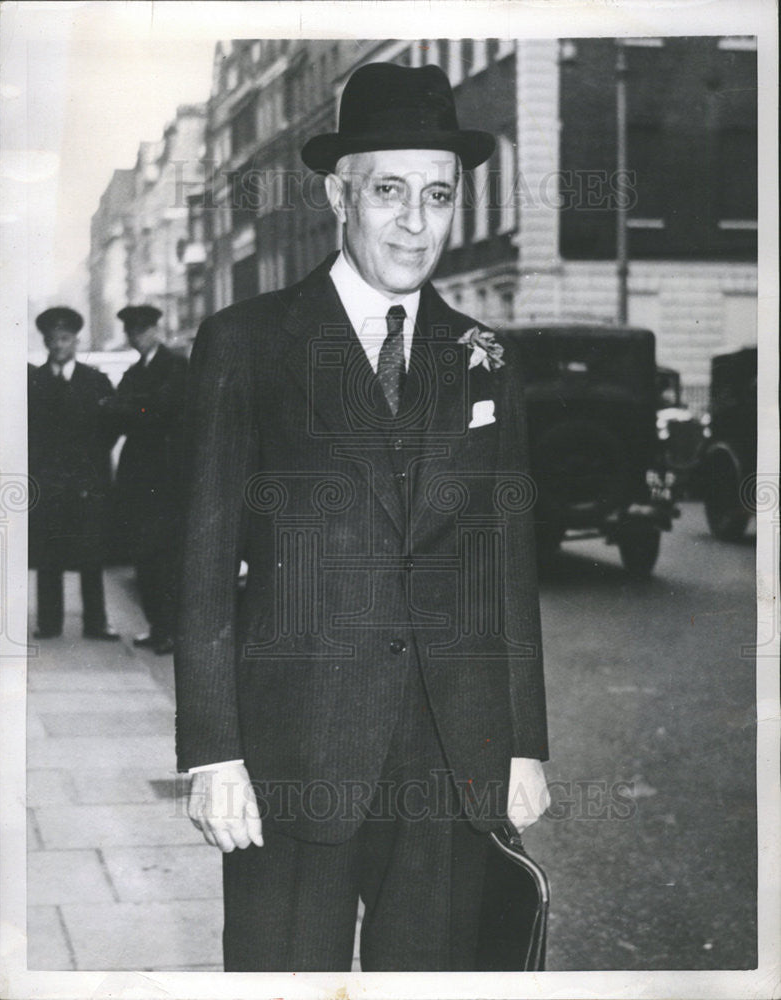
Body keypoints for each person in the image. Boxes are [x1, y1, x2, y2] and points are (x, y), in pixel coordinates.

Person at [175, 61, 550, 972]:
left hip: (451, 757)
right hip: (292, 753)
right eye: (390, 191)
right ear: (339, 193)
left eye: (438, 194)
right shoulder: (249, 343)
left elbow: (506, 568)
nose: (416, 223)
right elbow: (200, 561)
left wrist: (526, 745)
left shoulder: (484, 356)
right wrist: (213, 755)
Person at [28, 307, 119, 640]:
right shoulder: (33, 382)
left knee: (90, 556)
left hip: (85, 483)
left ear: (76, 341)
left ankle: (96, 623)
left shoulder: (95, 381)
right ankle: (49, 623)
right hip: (48, 482)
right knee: (48, 554)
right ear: (46, 342)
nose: (58, 345)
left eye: (64, 338)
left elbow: (111, 428)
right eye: (52, 339)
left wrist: (91, 468)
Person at [101, 305, 187, 655]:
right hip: (141, 476)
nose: (135, 336)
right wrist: (134, 407)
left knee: (165, 556)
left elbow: (160, 408)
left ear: (154, 330)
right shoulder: (137, 371)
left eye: (140, 329)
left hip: (167, 475)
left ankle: (170, 630)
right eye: (131, 331)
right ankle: (157, 627)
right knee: (145, 555)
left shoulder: (176, 367)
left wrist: (129, 406)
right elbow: (127, 410)